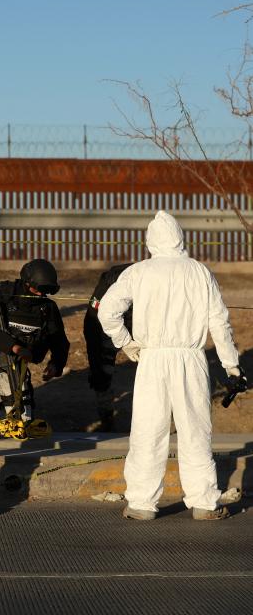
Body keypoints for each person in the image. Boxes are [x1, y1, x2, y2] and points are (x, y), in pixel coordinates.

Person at [98, 211, 245, 521]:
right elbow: (219, 323)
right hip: (191, 359)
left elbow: (107, 311)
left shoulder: (139, 272)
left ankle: (141, 503)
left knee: (147, 431)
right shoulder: (199, 272)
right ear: (180, 237)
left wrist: (126, 342)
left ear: (150, 240)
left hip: (152, 360)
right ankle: (204, 501)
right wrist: (232, 365)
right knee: (195, 432)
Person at [0, 259, 70, 438]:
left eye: (46, 291)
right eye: (38, 289)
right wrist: (13, 346)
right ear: (26, 283)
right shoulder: (0, 296)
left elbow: (59, 340)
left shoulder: (47, 308)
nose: (41, 294)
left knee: (21, 428)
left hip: (12, 369)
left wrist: (56, 364)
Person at [83, 264, 132, 431]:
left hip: (141, 322)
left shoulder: (151, 279)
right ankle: (106, 417)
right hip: (104, 326)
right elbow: (93, 319)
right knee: (102, 373)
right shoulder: (108, 283)